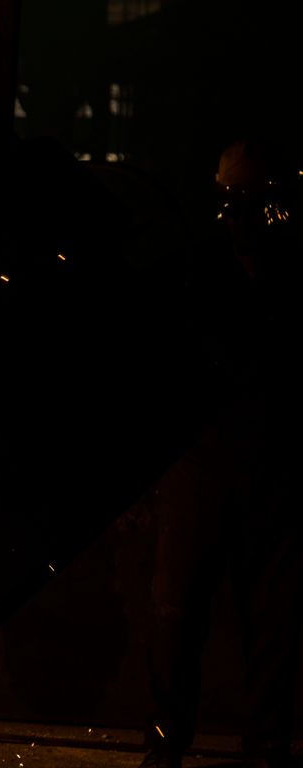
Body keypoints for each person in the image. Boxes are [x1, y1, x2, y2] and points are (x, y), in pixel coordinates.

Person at [141, 138, 302, 768]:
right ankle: (165, 740)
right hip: (203, 467)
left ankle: (265, 746)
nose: (238, 215)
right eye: (230, 202)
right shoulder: (196, 270)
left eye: (249, 202)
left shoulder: (292, 272)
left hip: (275, 472)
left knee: (277, 627)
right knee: (176, 617)